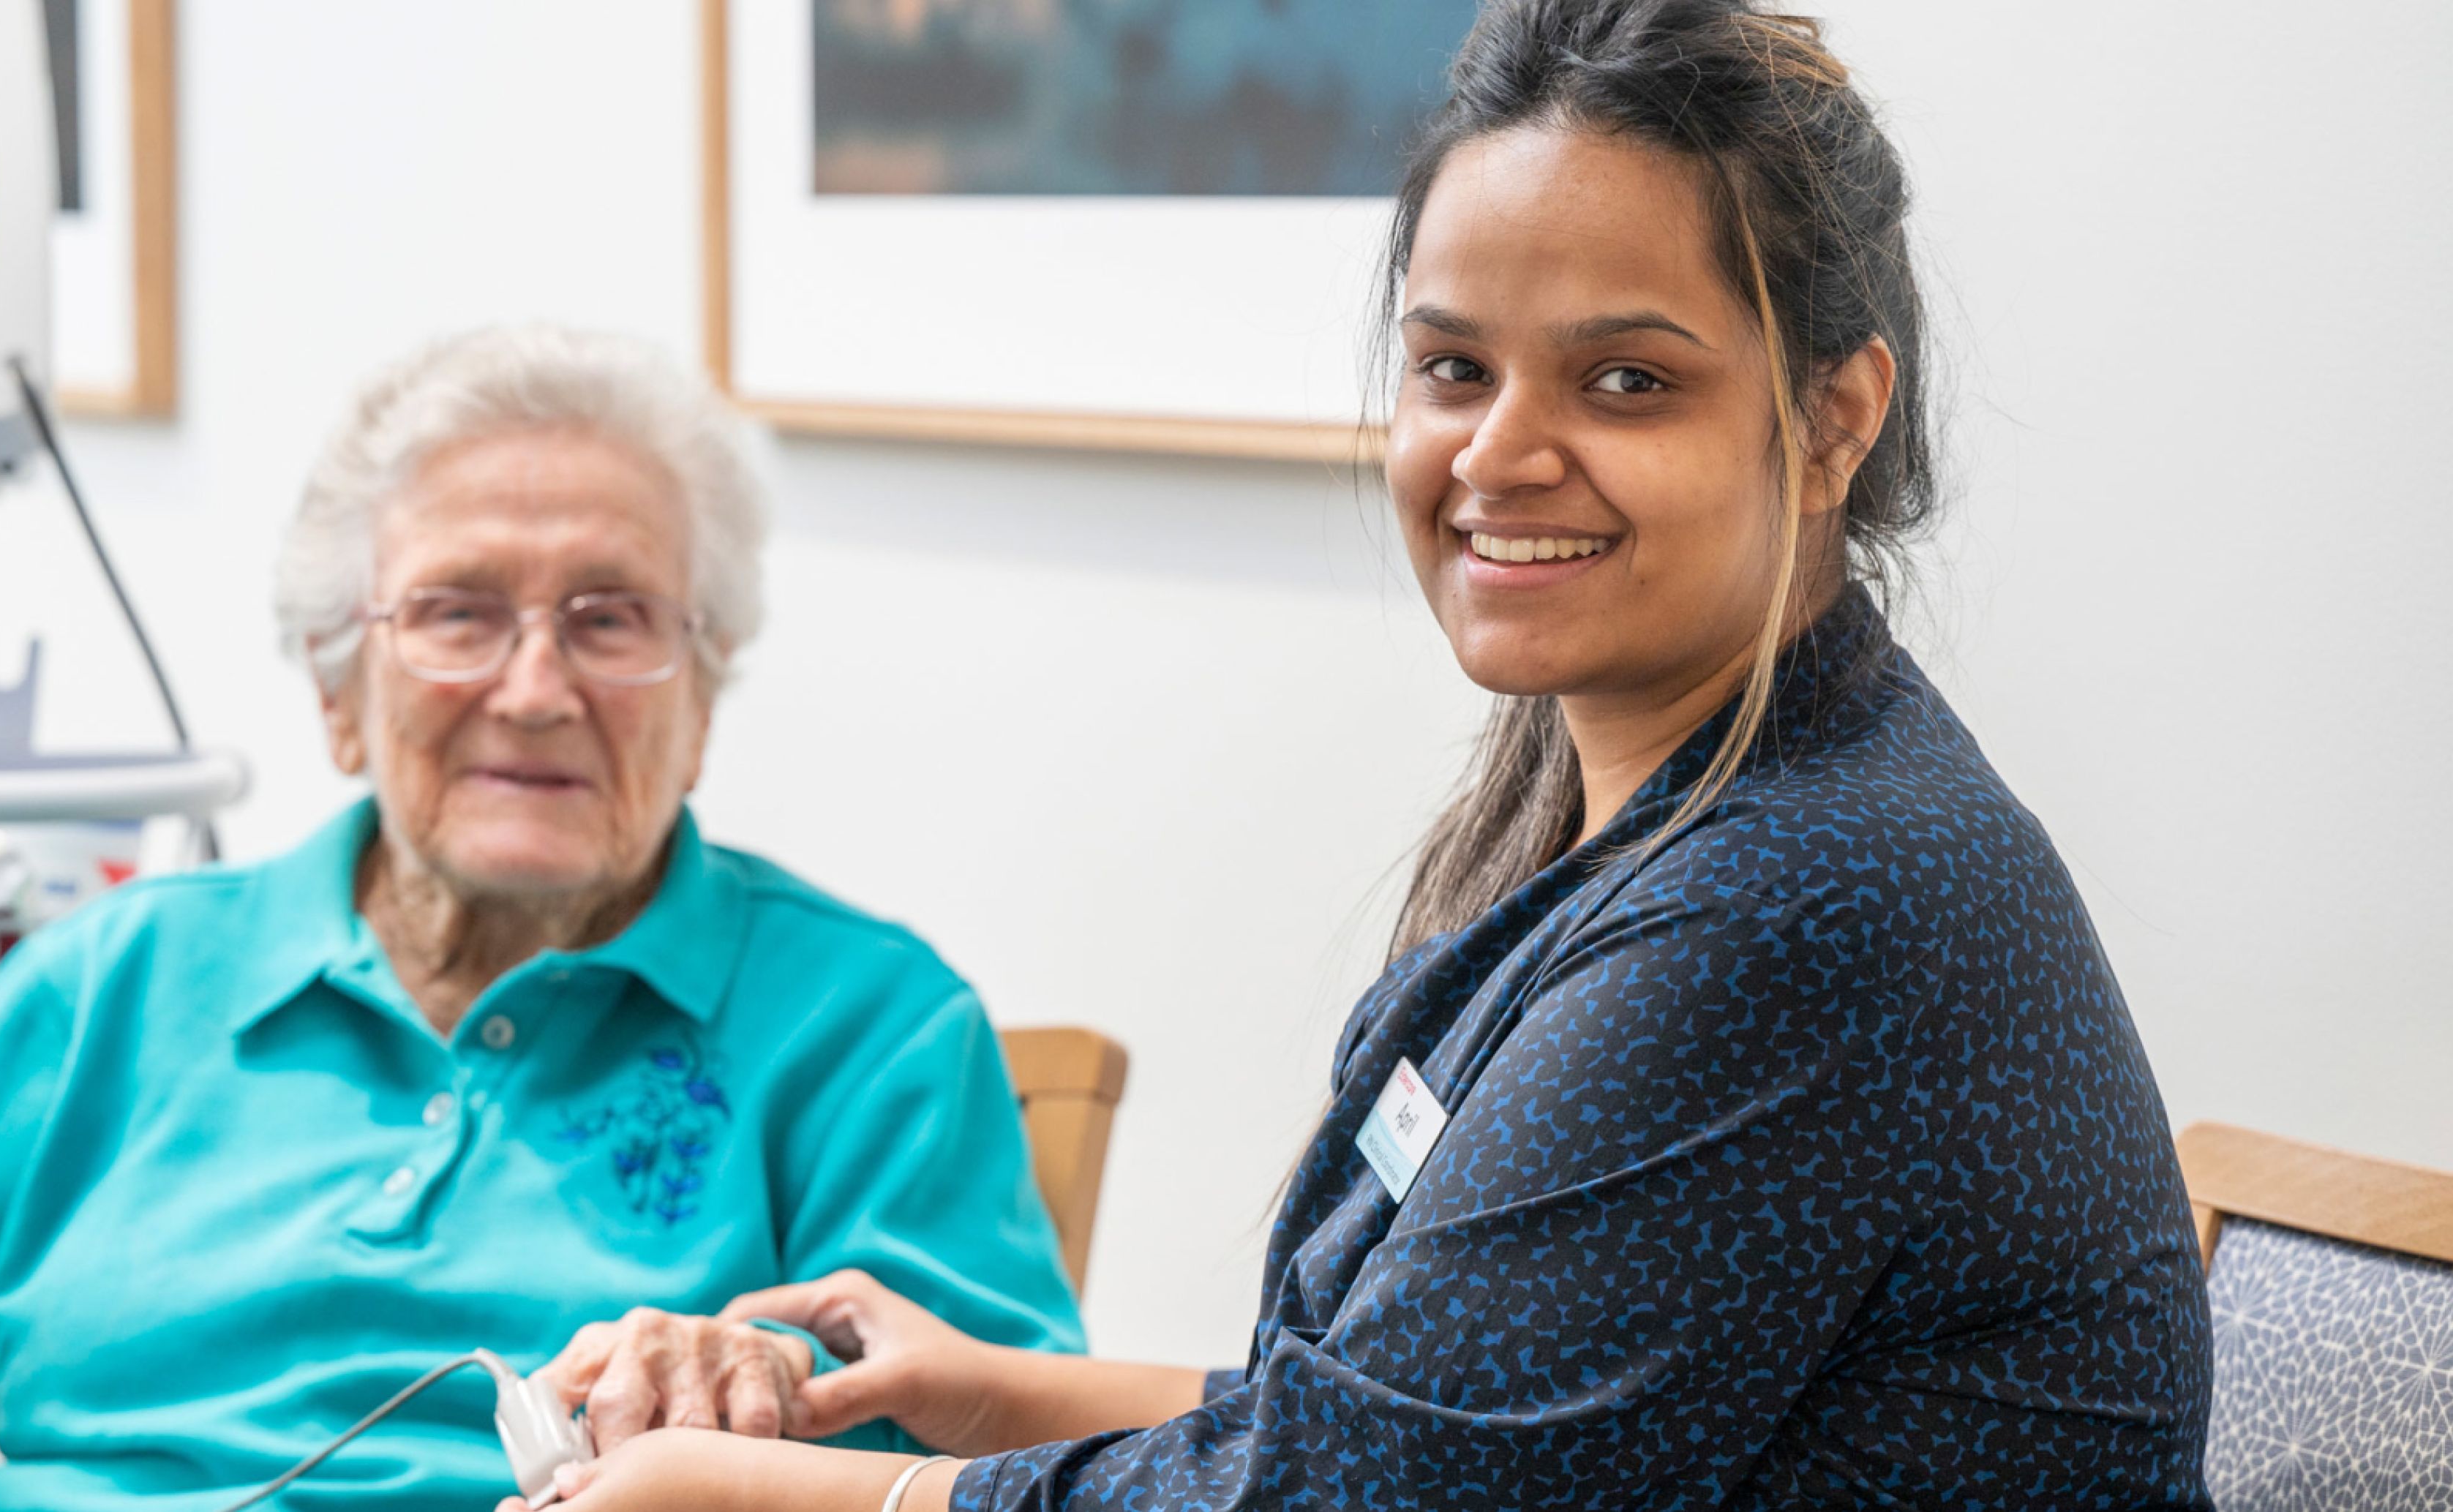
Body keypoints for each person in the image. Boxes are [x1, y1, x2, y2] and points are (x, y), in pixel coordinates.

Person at [506, 3, 2215, 1508]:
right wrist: (983, 1388)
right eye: (1452, 367)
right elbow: (1437, 1419)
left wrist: (770, 1501)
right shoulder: (1653, 810)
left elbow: (1367, 1490)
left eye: (1625, 380)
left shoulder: (1794, 905)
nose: (1499, 452)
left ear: (1834, 414)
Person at [0, 326, 1086, 1510]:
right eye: (457, 612)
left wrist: (764, 1389)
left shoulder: (872, 1033)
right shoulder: (100, 994)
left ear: (701, 701)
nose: (534, 686)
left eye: (610, 617)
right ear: (338, 692)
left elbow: (1040, 1488)